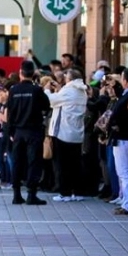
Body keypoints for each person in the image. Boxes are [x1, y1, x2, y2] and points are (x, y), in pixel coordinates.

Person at [6, 60, 50, 205]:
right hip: (33, 131)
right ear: (33, 74)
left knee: (17, 162)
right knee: (33, 162)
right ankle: (31, 194)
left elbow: (10, 113)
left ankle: (16, 194)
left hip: (18, 131)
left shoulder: (13, 90)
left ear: (20, 73)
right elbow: (46, 106)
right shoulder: (36, 90)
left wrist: (10, 132)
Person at [45, 69, 88, 202]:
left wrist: (47, 90)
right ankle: (78, 192)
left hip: (63, 132)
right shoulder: (82, 91)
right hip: (77, 133)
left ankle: (65, 193)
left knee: (62, 165)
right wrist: (60, 89)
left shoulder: (68, 91)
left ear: (70, 79)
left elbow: (51, 101)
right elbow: (64, 101)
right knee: (76, 164)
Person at [108, 68, 128, 216]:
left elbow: (115, 114)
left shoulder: (127, 97)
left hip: (124, 138)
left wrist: (112, 125)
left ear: (125, 81)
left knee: (125, 172)